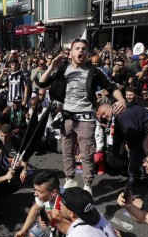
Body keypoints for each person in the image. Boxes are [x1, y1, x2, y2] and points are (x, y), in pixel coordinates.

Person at [37, 39, 126, 192]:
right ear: (71, 53)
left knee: (87, 153)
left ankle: (88, 184)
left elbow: (110, 86)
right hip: (67, 117)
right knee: (67, 150)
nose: (80, 51)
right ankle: (70, 179)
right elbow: (42, 83)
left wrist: (121, 99)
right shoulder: (63, 68)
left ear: (87, 53)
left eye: (83, 49)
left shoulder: (94, 71)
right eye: (77, 48)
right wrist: (52, 65)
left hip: (86, 117)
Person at [13, 171, 61, 237]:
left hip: (64, 230)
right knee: (32, 235)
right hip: (51, 225)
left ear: (53, 192)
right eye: (35, 190)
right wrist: (23, 230)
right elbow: (35, 209)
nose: (35, 194)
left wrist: (50, 221)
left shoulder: (66, 202)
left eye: (39, 191)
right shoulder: (45, 196)